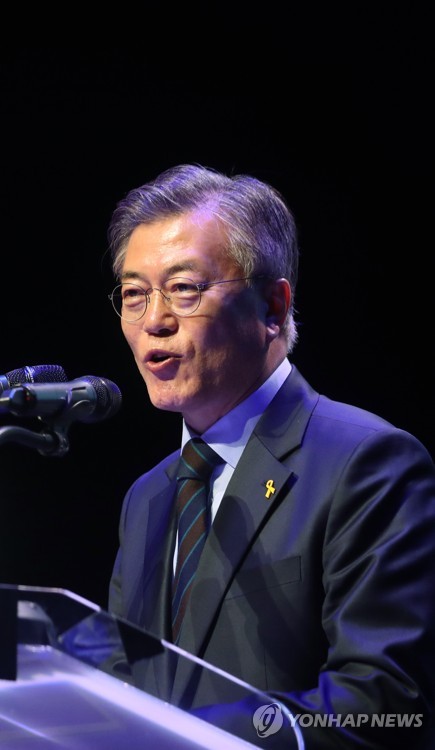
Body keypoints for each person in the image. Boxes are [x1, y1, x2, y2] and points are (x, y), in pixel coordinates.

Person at [105, 163, 435, 749]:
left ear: (273, 308)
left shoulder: (367, 464)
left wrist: (179, 738)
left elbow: (385, 704)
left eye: (184, 288)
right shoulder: (147, 497)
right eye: (134, 294)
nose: (153, 320)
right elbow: (118, 692)